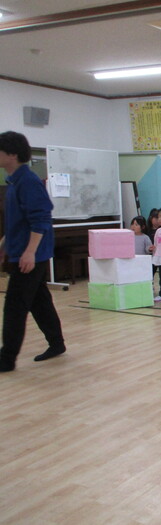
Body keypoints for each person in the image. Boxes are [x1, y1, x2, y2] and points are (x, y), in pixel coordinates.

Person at [0, 131, 66, 372]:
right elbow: (17, 222)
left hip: (31, 256)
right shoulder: (14, 181)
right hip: (23, 252)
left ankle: (6, 359)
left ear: (12, 154)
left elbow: (41, 220)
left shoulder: (28, 181)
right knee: (39, 302)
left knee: (14, 306)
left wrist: (29, 252)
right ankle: (56, 343)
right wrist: (4, 246)